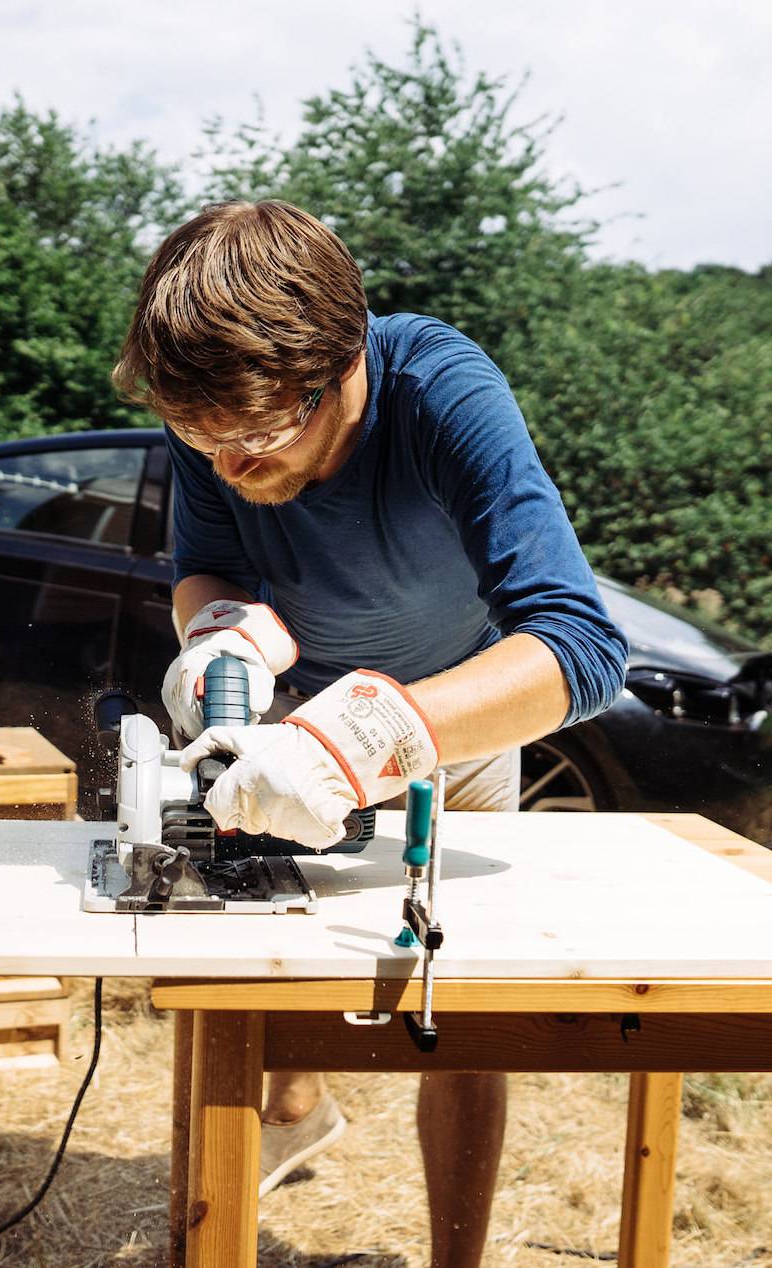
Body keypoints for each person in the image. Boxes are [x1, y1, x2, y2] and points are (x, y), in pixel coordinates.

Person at [112, 200, 628, 1268]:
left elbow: (579, 646)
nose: (227, 468)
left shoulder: (441, 392)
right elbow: (204, 565)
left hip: (452, 722)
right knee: (261, 961)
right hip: (289, 724)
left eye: (252, 438)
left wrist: (377, 735)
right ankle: (295, 1110)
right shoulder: (217, 420)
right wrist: (216, 630)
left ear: (340, 369)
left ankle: (456, 1257)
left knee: (454, 1006)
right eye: (198, 439)